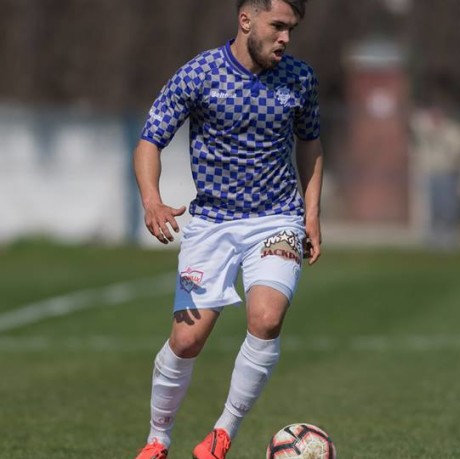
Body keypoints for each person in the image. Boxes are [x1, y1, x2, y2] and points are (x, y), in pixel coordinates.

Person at [132, 1, 323, 458]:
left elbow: (311, 142)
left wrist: (311, 213)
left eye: (291, 30)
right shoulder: (200, 75)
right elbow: (150, 140)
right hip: (212, 223)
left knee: (267, 319)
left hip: (277, 218)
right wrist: (152, 200)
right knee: (186, 340)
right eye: (278, 26)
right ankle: (157, 440)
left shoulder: (300, 78)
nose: (285, 39)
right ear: (246, 20)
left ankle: (222, 434)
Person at [410, 98, 460, 249]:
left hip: (447, 172)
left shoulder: (453, 131)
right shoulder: (423, 127)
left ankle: (449, 236)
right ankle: (432, 238)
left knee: (447, 206)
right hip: (429, 171)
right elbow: (414, 121)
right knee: (431, 208)